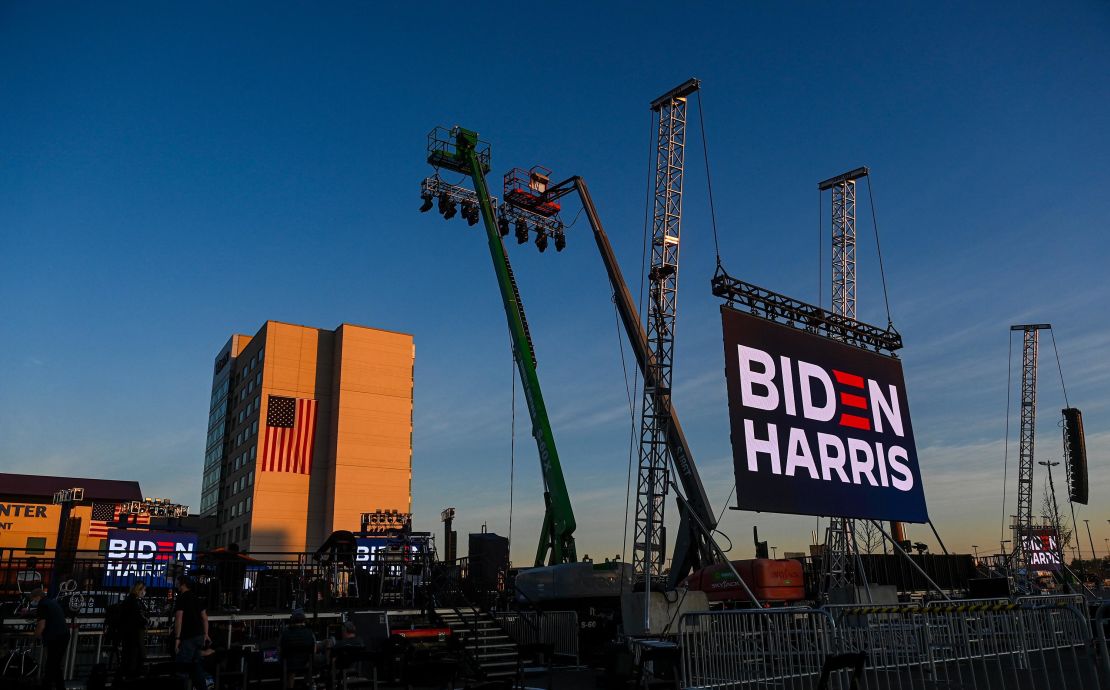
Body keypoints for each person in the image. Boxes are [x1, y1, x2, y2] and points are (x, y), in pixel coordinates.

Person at [173, 575, 210, 690]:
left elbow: (179, 618)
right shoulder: (196, 598)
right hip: (199, 635)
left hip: (188, 636)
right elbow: (205, 617)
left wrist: (177, 638)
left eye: (177, 582)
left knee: (182, 669)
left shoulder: (182, 598)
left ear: (183, 584)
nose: (176, 584)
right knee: (197, 667)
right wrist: (206, 634)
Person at [30, 586, 69, 690]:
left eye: (33, 599)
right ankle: (59, 687)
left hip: (55, 637)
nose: (33, 601)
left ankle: (47, 686)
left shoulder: (42, 605)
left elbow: (41, 626)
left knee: (51, 664)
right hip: (63, 635)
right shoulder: (51, 602)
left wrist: (33, 639)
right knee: (55, 664)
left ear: (37, 597)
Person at [115, 581, 149, 681]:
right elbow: (138, 618)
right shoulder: (135, 602)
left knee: (127, 658)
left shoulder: (129, 600)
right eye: (144, 590)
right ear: (139, 590)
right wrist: (145, 621)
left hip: (128, 634)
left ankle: (126, 677)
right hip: (134, 634)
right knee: (133, 659)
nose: (145, 592)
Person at [279, 609, 317, 688]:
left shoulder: (285, 634)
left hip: (289, 665)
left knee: (290, 669)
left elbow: (280, 650)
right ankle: (307, 684)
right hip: (306, 664)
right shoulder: (310, 633)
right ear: (304, 619)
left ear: (292, 620)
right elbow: (314, 651)